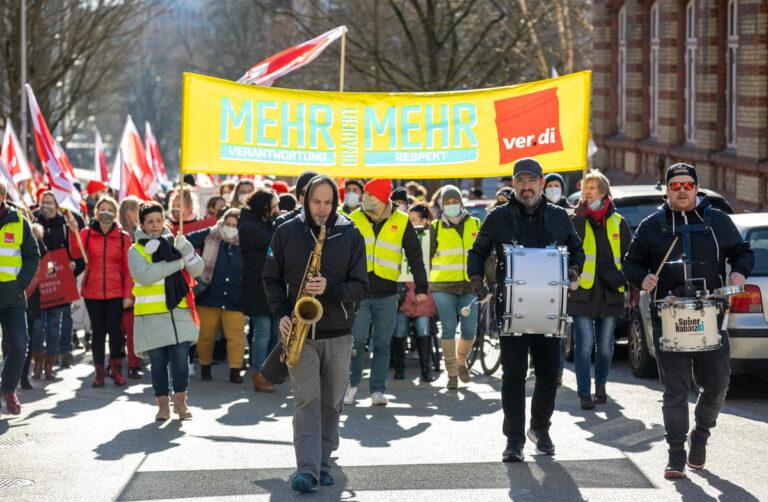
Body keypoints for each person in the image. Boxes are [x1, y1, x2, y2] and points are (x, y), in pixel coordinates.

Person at [623, 163, 753, 480]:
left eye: (687, 185)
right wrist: (643, 278)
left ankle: (701, 435)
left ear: (696, 188)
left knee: (718, 385)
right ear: (667, 190)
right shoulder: (652, 226)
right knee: (675, 390)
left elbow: (742, 253)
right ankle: (676, 454)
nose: (682, 191)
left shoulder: (717, 222)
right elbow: (631, 263)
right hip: (669, 317)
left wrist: (738, 272)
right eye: (675, 186)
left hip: (710, 314)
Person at [468, 158, 585, 462]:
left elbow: (577, 248)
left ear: (542, 182)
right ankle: (514, 440)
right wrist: (477, 279)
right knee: (513, 376)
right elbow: (477, 251)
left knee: (548, 374)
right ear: (514, 183)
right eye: (520, 181)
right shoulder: (498, 217)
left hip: (550, 309)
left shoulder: (560, 216)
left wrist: (573, 269)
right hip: (511, 309)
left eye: (531, 180)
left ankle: (540, 430)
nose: (526, 186)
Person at [263, 175, 368, 493]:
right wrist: (282, 313)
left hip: (338, 332)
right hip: (300, 332)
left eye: (328, 202)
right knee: (307, 400)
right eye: (316, 202)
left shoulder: (350, 233)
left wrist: (330, 287)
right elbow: (270, 278)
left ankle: (324, 463)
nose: (322, 209)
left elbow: (361, 287)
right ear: (305, 200)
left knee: (331, 403)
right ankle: (307, 469)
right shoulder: (286, 232)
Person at [346, 178, 428, 406]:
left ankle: (377, 391)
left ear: (382, 198)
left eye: (369, 195)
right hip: (359, 293)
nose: (365, 198)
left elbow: (415, 255)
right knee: (357, 341)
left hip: (387, 293)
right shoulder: (354, 219)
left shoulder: (401, 221)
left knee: (382, 343)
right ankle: (351, 386)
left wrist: (421, 286)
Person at [128, 201, 204, 421]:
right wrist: (179, 263)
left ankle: (180, 401)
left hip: (179, 313)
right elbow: (146, 276)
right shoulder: (136, 250)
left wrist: (186, 249)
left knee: (181, 361)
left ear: (164, 221)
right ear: (141, 224)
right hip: (151, 317)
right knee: (159, 364)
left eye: (159, 221)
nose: (155, 225)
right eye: (150, 221)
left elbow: (197, 269)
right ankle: (162, 405)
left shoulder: (177, 243)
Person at [568, 171, 631, 409]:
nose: (587, 192)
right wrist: (579, 219)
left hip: (610, 292)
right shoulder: (576, 220)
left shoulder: (618, 222)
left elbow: (628, 257)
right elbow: (569, 250)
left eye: (592, 187)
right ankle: (584, 393)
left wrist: (629, 284)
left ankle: (601, 386)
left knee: (605, 346)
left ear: (603, 192)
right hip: (582, 291)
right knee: (583, 346)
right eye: (585, 187)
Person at [67, 196, 132, 387]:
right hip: (92, 291)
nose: (106, 213)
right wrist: (73, 233)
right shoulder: (86, 233)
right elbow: (76, 253)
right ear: (96, 212)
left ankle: (116, 369)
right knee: (98, 332)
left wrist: (128, 294)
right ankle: (99, 372)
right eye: (102, 209)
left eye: (110, 209)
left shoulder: (123, 237)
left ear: (115, 213)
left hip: (116, 291)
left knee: (115, 331)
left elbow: (128, 268)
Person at [429, 185, 482, 389]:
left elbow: (483, 255)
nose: (452, 205)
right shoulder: (435, 227)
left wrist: (486, 280)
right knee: (449, 328)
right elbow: (427, 256)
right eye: (447, 202)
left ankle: (461, 361)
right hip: (443, 285)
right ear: (442, 205)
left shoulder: (475, 223)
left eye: (455, 201)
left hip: (469, 286)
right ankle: (451, 372)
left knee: (469, 330)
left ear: (461, 203)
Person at [187, 208, 245, 383]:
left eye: (235, 225)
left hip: (235, 299)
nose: (231, 227)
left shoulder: (246, 242)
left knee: (235, 337)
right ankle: (205, 367)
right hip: (208, 296)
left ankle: (235, 370)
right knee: (205, 336)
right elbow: (186, 241)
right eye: (228, 223)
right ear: (222, 222)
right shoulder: (210, 234)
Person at [0, 179, 40, 416]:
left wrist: (20, 284)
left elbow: (32, 256)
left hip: (13, 297)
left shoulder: (19, 222)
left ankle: (7, 389)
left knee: (18, 345)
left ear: (3, 197)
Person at [34, 191, 83, 379]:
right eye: (43, 203)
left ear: (57, 205)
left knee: (55, 326)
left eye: (50, 203)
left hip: (59, 285)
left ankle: (49, 366)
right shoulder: (33, 224)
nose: (46, 206)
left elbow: (76, 253)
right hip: (40, 286)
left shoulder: (66, 225)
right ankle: (38, 362)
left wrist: (73, 264)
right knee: (38, 326)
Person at [238, 188, 280, 392]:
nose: (276, 210)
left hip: (271, 286)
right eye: (274, 206)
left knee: (274, 332)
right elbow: (272, 242)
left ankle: (269, 371)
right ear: (264, 207)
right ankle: (259, 373)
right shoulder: (248, 225)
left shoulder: (267, 223)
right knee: (262, 331)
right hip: (256, 287)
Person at [393, 202, 437, 383]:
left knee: (423, 327)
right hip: (403, 291)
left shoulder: (432, 240)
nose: (409, 224)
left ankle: (426, 370)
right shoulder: (399, 237)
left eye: (413, 220)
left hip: (423, 292)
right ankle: (400, 367)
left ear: (425, 221)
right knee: (399, 328)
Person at [119, 195, 144, 378]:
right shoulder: (118, 231)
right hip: (118, 283)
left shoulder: (143, 231)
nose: (134, 212)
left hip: (138, 283)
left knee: (133, 326)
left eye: (136, 208)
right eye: (130, 208)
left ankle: (134, 362)